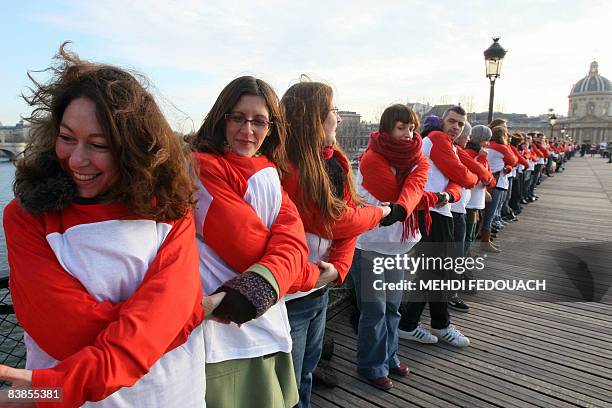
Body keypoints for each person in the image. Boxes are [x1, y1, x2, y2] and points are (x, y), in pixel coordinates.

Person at [1, 44, 217, 407]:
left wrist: (51, 389)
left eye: (98, 145)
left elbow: (44, 385)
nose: (77, 159)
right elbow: (67, 333)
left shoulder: (170, 211)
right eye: (67, 138)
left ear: (134, 148)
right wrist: (182, 314)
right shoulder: (26, 217)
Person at [190, 76, 317, 408]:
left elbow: (292, 237)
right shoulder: (202, 168)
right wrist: (314, 276)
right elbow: (248, 248)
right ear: (221, 118)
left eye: (259, 121)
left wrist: (302, 271)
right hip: (225, 332)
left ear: (271, 127)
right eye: (238, 118)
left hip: (262, 319)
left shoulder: (268, 170)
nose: (248, 130)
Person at [280, 80, 390, 406]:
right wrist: (382, 212)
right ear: (313, 118)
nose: (339, 119)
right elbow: (335, 221)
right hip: (291, 295)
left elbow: (346, 217)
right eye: (333, 111)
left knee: (306, 373)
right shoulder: (289, 169)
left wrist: (339, 268)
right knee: (289, 385)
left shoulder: (335, 161)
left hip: (319, 287)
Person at [355, 104, 430, 390]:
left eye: (411, 128)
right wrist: (424, 199)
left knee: (392, 309)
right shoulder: (371, 158)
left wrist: (411, 202)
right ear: (387, 128)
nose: (409, 134)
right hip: (372, 245)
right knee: (374, 311)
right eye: (401, 128)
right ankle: (371, 365)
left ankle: (389, 356)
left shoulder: (417, 159)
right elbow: (398, 195)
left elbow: (411, 193)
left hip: (399, 245)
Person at [398, 106, 477, 348]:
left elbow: (457, 177)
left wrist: (456, 185)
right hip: (431, 212)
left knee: (435, 272)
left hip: (438, 211)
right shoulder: (438, 139)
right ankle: (428, 324)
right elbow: (465, 177)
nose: (456, 127)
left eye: (460, 124)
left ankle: (421, 323)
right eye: (452, 121)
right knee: (434, 272)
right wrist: (466, 180)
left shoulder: (445, 144)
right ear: (442, 122)